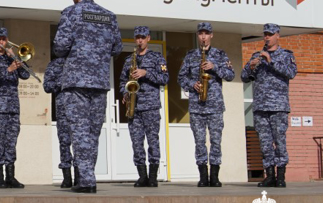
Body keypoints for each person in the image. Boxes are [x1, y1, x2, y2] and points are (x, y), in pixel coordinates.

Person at [53, 0, 122, 193]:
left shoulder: (71, 13)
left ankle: (86, 181)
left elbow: (60, 47)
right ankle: (88, 175)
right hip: (100, 83)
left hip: (76, 83)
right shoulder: (109, 16)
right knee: (92, 133)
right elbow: (117, 48)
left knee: (80, 131)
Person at [178, 22, 235, 187]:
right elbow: (181, 78)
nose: (203, 37)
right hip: (197, 106)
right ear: (198, 35)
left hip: (215, 106)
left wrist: (214, 67)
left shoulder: (220, 54)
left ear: (211, 35)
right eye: (200, 33)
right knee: (199, 141)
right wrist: (191, 85)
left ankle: (215, 177)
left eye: (206, 33)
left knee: (216, 141)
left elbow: (231, 75)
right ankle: (203, 176)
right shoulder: (190, 56)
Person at [241, 23, 297, 188]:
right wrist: (251, 68)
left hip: (278, 106)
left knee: (279, 141)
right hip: (260, 107)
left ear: (278, 35)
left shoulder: (286, 55)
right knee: (264, 143)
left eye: (270, 34)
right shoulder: (256, 55)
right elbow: (244, 77)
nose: (267, 37)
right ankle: (270, 175)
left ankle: (281, 176)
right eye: (265, 34)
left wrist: (271, 62)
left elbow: (291, 73)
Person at [118, 26, 169, 187]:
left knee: (153, 141)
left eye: (142, 37)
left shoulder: (157, 58)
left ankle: (153, 176)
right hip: (134, 107)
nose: (139, 40)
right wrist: (125, 92)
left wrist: (146, 73)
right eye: (137, 38)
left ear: (148, 38)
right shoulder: (129, 60)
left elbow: (165, 78)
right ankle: (142, 176)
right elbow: (121, 82)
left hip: (151, 107)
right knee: (136, 143)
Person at [0, 27, 29, 189]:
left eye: (4, 39)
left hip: (13, 108)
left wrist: (15, 58)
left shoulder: (11, 58)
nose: (2, 42)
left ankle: (10, 176)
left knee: (11, 143)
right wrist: (8, 70)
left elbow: (26, 75)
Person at [43, 56, 74, 188]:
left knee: (81, 144)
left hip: (80, 110)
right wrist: (61, 82)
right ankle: (67, 177)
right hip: (62, 111)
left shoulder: (78, 62)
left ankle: (81, 176)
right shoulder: (54, 65)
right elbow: (47, 86)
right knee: (64, 143)